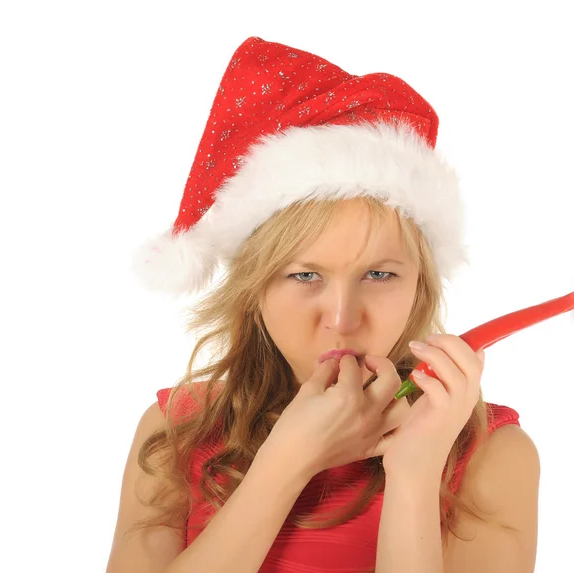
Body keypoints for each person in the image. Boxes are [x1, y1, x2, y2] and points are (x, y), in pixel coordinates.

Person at [106, 37, 540, 573]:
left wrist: (415, 472)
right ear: (254, 288)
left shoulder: (492, 456)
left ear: (420, 286)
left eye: (379, 274)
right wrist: (286, 463)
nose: (341, 319)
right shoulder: (176, 430)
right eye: (305, 275)